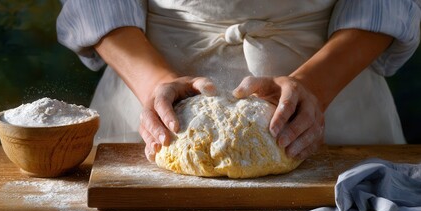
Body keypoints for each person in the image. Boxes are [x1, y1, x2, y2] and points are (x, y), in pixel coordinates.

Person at [57, 0, 421, 161]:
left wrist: (315, 86)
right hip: (148, 105)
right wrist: (154, 83)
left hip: (336, 101)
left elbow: (386, 4)